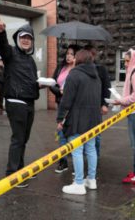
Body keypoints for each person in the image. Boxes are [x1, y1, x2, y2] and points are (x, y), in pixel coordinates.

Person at [0, 20, 41, 187]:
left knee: (24, 138)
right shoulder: (11, 53)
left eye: (29, 37)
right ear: (17, 39)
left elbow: (33, 81)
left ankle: (20, 170)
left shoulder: (30, 60)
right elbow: (2, 47)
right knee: (18, 138)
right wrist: (0, 33)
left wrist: (41, 85)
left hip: (29, 102)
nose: (26, 40)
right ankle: (12, 174)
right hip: (16, 102)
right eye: (23, 37)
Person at [57, 49, 101, 195]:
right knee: (91, 149)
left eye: (75, 57)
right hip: (94, 119)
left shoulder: (74, 74)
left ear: (79, 59)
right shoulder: (96, 75)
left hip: (77, 119)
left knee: (77, 150)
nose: (73, 59)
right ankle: (92, 180)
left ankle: (79, 183)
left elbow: (66, 101)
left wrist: (60, 118)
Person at [113, 49, 135, 185]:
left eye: (127, 61)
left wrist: (122, 101)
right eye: (124, 61)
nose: (125, 64)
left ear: (134, 60)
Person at [50, 44, 81, 173]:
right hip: (61, 103)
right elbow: (52, 83)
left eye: (72, 54)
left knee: (74, 134)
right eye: (67, 53)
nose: (68, 56)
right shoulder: (61, 67)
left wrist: (68, 92)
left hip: (74, 107)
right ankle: (63, 162)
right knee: (61, 133)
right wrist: (60, 91)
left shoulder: (78, 70)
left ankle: (77, 164)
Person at [84, 44, 111, 159]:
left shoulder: (101, 69)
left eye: (91, 54)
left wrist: (105, 104)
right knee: (83, 135)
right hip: (83, 107)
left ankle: (96, 157)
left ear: (94, 56)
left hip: (97, 107)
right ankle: (87, 158)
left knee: (96, 134)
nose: (89, 57)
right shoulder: (81, 69)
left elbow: (107, 87)